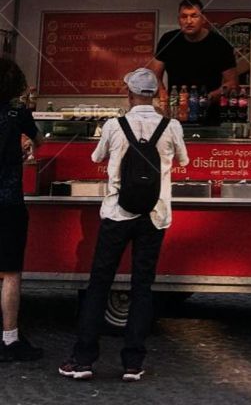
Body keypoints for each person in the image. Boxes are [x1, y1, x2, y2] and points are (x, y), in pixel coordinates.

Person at [59, 68, 188, 382]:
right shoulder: (172, 126)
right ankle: (133, 363)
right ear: (157, 95)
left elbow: (95, 157)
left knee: (99, 284)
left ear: (129, 94)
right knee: (142, 287)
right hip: (155, 216)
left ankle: (83, 359)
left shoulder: (114, 126)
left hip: (117, 213)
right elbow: (183, 161)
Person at [0, 57, 43, 364]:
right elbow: (38, 139)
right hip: (9, 201)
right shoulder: (18, 111)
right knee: (10, 272)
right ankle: (10, 338)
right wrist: (24, 148)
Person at [151, 0, 237, 122]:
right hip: (175, 114)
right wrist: (164, 97)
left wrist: (207, 98)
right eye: (184, 17)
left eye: (194, 16)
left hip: (209, 115)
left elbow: (232, 84)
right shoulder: (168, 39)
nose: (189, 21)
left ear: (203, 19)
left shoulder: (219, 44)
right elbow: (154, 76)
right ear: (178, 20)